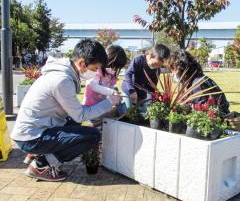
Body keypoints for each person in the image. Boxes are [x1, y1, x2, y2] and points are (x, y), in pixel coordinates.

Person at [11, 39, 121, 182]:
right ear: (81, 63)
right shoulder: (62, 80)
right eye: (94, 69)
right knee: (93, 135)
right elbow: (80, 115)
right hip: (31, 137)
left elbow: (74, 114)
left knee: (73, 123)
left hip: (35, 129)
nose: (95, 73)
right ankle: (41, 164)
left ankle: (37, 154)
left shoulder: (62, 72)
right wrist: (109, 103)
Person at [166, 50, 230, 115]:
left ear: (182, 68)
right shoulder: (197, 79)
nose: (172, 74)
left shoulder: (197, 85)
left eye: (173, 70)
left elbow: (200, 112)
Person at [82, 44, 127, 126]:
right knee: (114, 113)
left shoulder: (110, 73)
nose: (115, 69)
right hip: (91, 107)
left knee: (119, 111)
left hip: (101, 106)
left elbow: (108, 86)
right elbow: (93, 86)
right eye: (114, 66)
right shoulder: (96, 70)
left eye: (117, 68)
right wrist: (111, 91)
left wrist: (114, 90)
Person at [121, 44, 170, 111]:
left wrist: (152, 100)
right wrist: (131, 91)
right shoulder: (139, 60)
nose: (156, 67)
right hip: (129, 90)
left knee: (144, 113)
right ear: (150, 55)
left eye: (159, 66)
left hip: (142, 95)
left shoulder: (157, 70)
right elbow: (128, 75)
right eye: (155, 64)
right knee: (128, 112)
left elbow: (152, 87)